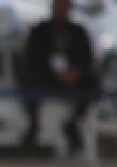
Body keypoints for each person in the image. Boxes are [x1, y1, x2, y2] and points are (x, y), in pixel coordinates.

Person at [19, 0, 99, 156]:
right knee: (30, 82)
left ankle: (74, 123)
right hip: (46, 77)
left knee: (93, 84)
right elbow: (33, 59)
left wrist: (76, 72)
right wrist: (55, 73)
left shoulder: (78, 31)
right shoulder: (40, 31)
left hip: (74, 78)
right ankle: (33, 126)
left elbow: (86, 58)